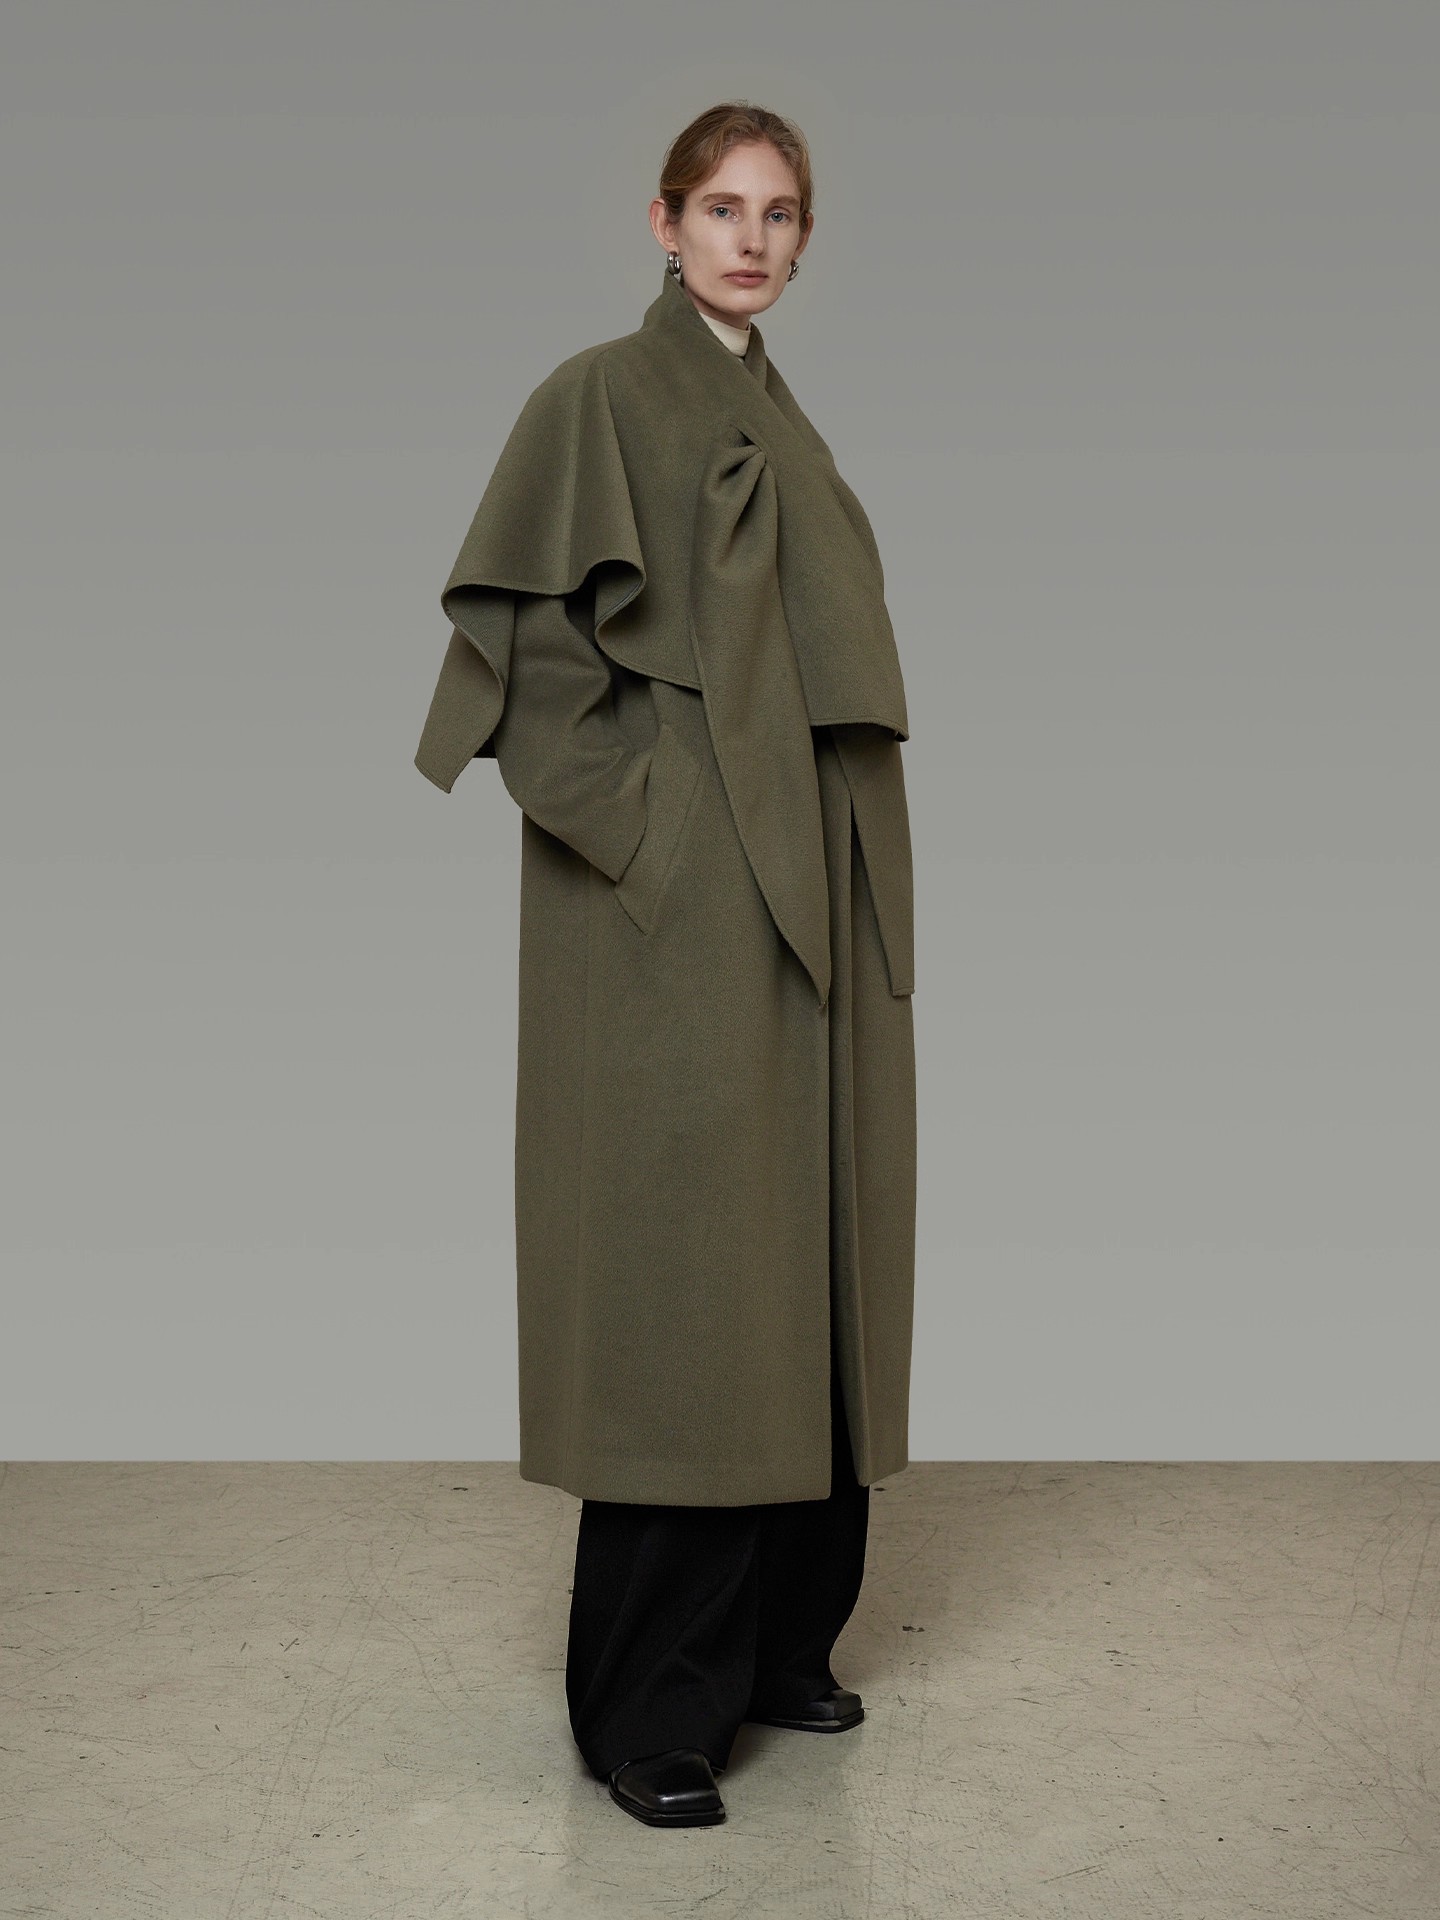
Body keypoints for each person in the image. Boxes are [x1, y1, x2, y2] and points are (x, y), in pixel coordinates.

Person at [413, 102, 917, 1828]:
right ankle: (649, 1712)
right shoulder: (598, 398)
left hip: (816, 878)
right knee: (689, 1285)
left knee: (808, 1257)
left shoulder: (782, 417)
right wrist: (654, 830)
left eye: (779, 214)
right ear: (662, 222)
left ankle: (776, 1646)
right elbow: (534, 660)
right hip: (683, 900)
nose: (751, 241)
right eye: (721, 209)